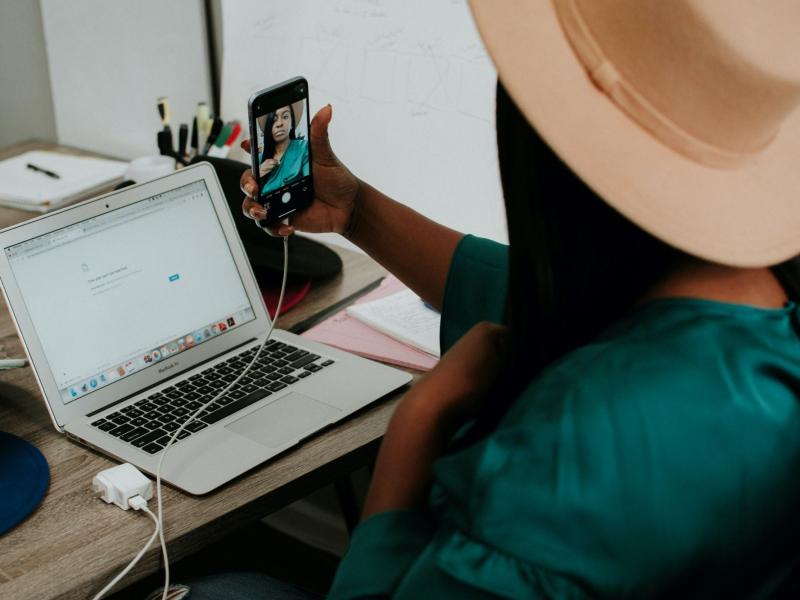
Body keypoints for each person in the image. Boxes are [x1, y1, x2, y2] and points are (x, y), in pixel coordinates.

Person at [172, 0, 800, 597]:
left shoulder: (565, 460)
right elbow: (520, 291)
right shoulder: (762, 314)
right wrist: (356, 210)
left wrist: (416, 428)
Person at [257, 103, 310, 195]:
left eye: (285, 117)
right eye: (274, 119)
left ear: (292, 123)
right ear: (268, 127)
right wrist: (258, 174)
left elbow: (309, 184)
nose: (280, 124)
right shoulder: (260, 159)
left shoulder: (304, 147)